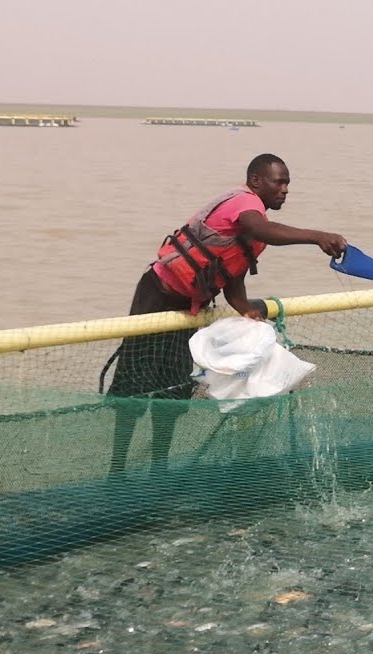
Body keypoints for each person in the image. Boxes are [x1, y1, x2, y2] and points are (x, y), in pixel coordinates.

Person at [105, 153, 348, 474]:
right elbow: (263, 230)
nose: (285, 190)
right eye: (279, 182)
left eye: (288, 183)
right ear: (256, 181)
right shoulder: (243, 205)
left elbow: (233, 286)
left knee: (174, 388)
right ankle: (117, 469)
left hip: (188, 312)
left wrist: (251, 314)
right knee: (135, 386)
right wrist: (318, 236)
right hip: (155, 297)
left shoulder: (251, 234)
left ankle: (158, 469)